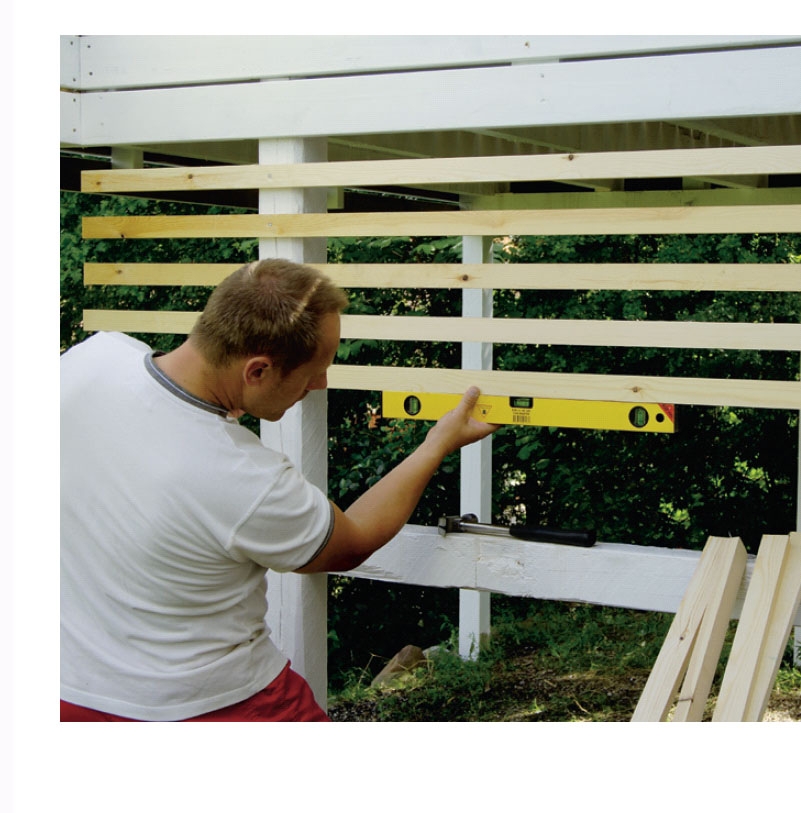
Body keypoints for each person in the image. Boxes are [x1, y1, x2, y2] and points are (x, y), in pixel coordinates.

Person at [60, 258, 498, 722]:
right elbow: (354, 540)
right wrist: (437, 443)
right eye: (314, 372)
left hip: (70, 692)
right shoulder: (244, 478)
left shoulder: (90, 359)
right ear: (257, 371)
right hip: (214, 703)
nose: (321, 384)